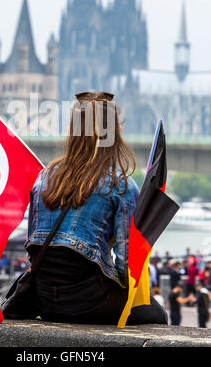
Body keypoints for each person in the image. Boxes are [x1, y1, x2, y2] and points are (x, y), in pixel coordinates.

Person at [25, 91, 168, 325]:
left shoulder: (43, 177)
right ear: (114, 134)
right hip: (88, 302)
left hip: (44, 300)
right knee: (156, 314)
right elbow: (126, 265)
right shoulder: (121, 185)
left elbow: (32, 246)